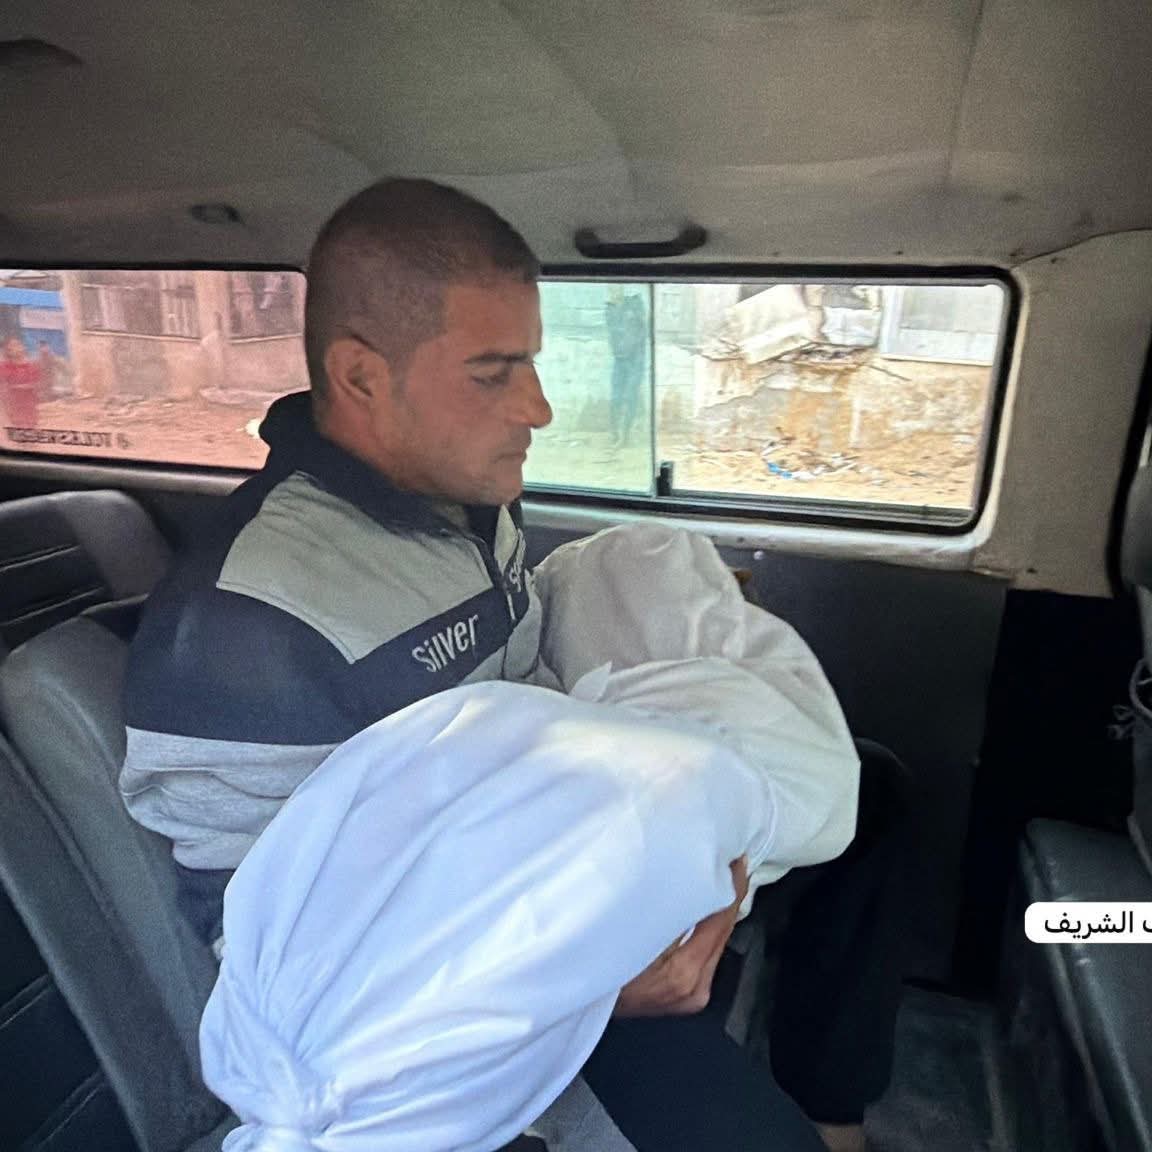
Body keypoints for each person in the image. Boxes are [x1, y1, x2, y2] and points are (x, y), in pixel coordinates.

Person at [120, 178, 903, 1152]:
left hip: (537, 836)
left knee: (877, 789)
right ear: (361, 378)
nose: (538, 408)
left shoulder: (464, 500)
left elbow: (524, 669)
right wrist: (597, 988)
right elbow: (282, 960)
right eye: (493, 374)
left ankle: (834, 1108)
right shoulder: (247, 626)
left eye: (530, 363)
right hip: (460, 987)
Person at [604, 287, 646, 447]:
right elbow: (613, 334)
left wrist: (634, 348)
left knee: (630, 396)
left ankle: (626, 435)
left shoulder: (634, 304)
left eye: (616, 289)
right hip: (619, 359)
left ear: (621, 290)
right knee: (616, 398)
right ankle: (615, 434)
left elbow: (642, 329)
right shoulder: (610, 310)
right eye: (611, 291)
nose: (613, 293)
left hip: (635, 360)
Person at [1, 336, 42, 428]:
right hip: (11, 409)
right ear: (7, 350)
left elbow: (37, 385)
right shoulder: (4, 367)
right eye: (11, 346)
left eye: (17, 345)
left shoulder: (32, 366)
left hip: (29, 408)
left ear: (23, 347)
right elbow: (3, 387)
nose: (15, 348)